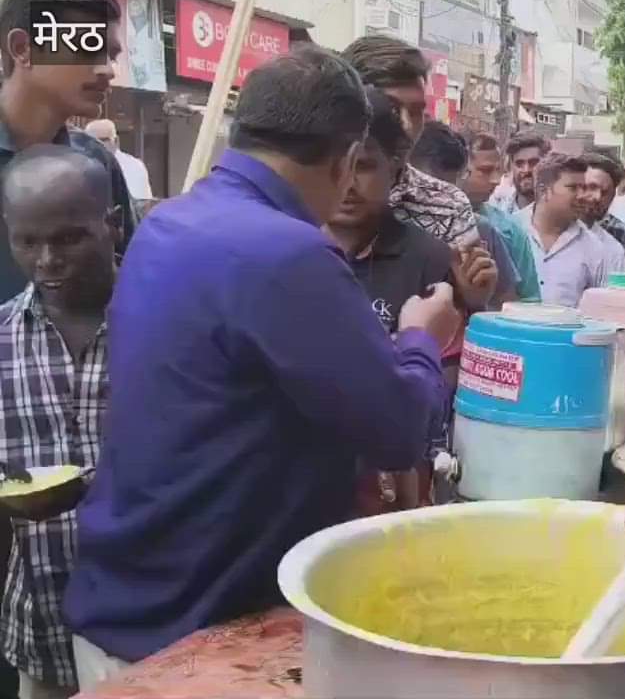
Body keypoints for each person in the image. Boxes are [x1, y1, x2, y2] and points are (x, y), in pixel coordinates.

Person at [63, 46, 461, 687]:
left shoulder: (169, 223)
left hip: (126, 592)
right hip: (192, 635)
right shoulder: (287, 252)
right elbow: (398, 430)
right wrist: (419, 338)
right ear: (343, 158)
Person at [0, 146, 120, 699]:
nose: (46, 259)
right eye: (28, 241)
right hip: (41, 621)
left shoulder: (161, 326)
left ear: (110, 226)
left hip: (139, 624)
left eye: (69, 238)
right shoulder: (2, 339)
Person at [325, 88, 458, 516]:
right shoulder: (290, 253)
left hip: (403, 474)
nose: (347, 184)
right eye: (336, 168)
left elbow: (444, 377)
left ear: (395, 171)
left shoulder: (429, 256)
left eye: (363, 167)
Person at [0, 0, 135, 301]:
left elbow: (131, 270)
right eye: (89, 46)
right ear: (23, 49)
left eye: (112, 55)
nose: (108, 70)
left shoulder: (95, 162)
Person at [341, 36, 478, 248]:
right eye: (392, 108)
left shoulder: (448, 205)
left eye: (416, 112)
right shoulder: (309, 193)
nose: (406, 126)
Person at [410, 121, 517, 308]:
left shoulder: (479, 232)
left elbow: (506, 306)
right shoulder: (372, 233)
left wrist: (477, 301)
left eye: (449, 191)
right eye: (427, 192)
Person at [462, 132, 541, 302]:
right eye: (485, 171)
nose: (496, 180)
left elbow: (530, 300)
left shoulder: (511, 229)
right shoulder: (432, 220)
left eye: (498, 170)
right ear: (462, 170)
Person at [523, 154, 609, 307]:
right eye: (573, 188)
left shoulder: (594, 248)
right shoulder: (510, 232)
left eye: (583, 188)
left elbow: (599, 314)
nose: (583, 196)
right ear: (544, 191)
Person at [579, 152, 625, 274]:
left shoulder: (615, 245)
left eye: (605, 192)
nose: (597, 197)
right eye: (591, 187)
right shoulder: (549, 229)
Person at [84, 119, 152, 201]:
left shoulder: (134, 166)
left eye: (102, 140)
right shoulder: (81, 167)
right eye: (90, 141)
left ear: (116, 141)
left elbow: (141, 204)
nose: (96, 146)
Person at [491, 132, 551, 214]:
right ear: (511, 166)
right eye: (519, 163)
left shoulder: (560, 212)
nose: (526, 170)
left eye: (533, 162)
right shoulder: (496, 208)